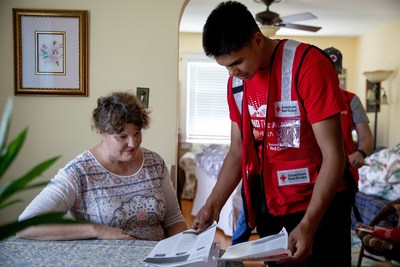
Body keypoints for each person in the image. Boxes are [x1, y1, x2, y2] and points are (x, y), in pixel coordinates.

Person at [192, 1, 353, 266]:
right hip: (271, 206)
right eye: (226, 67)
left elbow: (334, 155)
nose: (233, 73)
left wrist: (309, 224)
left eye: (237, 62)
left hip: (319, 208)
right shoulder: (237, 83)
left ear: (257, 39)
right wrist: (213, 204)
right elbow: (237, 150)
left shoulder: (308, 65)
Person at [17, 91, 187, 241]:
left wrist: (185, 251)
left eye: (137, 133)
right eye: (122, 137)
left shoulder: (154, 162)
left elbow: (173, 219)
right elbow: (26, 225)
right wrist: (95, 230)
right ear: (101, 133)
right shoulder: (78, 172)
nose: (133, 143)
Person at [323, 47, 373, 172]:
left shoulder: (351, 100)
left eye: (335, 73)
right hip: (315, 170)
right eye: (328, 72)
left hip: (345, 171)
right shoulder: (306, 98)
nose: (332, 77)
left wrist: (361, 153)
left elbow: (366, 137)